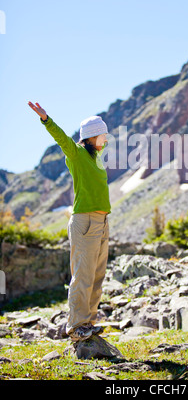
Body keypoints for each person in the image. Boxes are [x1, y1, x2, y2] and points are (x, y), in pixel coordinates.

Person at [28, 101, 111, 341]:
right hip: (84, 221)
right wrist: (46, 120)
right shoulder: (76, 154)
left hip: (102, 220)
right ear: (92, 136)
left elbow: (100, 143)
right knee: (83, 275)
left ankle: (88, 322)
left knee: (96, 276)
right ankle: (76, 327)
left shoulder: (97, 156)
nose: (106, 139)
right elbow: (63, 139)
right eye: (103, 135)